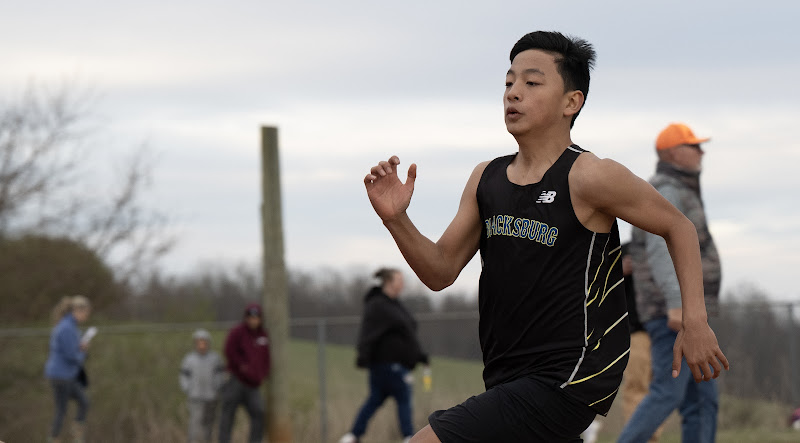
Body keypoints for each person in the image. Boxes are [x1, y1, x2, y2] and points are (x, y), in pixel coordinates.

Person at [363, 31, 729, 442]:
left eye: (532, 82)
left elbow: (678, 227)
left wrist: (695, 321)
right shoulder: (486, 178)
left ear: (572, 102)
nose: (513, 92)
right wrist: (397, 220)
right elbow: (440, 271)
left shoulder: (589, 175)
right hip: (507, 374)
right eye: (508, 82)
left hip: (570, 377)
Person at [618, 123, 723, 443]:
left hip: (689, 314)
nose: (701, 152)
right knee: (668, 393)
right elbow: (661, 248)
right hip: (674, 315)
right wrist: (679, 304)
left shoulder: (679, 188)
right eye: (694, 146)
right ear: (674, 152)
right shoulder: (666, 190)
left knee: (702, 401)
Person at [339, 268, 430, 443]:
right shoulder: (379, 305)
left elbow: (407, 334)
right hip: (389, 365)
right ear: (388, 282)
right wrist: (363, 355)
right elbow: (369, 332)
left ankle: (353, 436)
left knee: (375, 400)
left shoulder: (394, 305)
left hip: (391, 365)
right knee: (403, 397)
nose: (402, 284)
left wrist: (419, 356)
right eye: (399, 280)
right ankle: (409, 437)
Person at [618, 242, 663, 442]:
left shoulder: (666, 247)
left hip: (665, 330)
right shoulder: (625, 250)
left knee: (661, 389)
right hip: (635, 330)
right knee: (636, 385)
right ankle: (638, 438)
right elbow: (596, 283)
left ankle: (650, 437)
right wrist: (619, 271)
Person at [218, 303, 271, 443]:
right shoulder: (237, 332)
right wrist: (242, 366)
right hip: (236, 381)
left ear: (260, 319)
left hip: (253, 385)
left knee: (259, 413)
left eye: (256, 317)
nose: (253, 320)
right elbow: (229, 350)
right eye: (251, 317)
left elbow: (266, 358)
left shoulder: (263, 335)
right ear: (246, 318)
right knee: (228, 415)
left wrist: (263, 373)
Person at [45, 295, 92, 443]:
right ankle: (55, 438)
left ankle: (75, 434)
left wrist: (81, 348)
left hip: (66, 375)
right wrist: (83, 352)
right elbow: (71, 355)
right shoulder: (66, 328)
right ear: (77, 311)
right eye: (86, 313)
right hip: (61, 376)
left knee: (83, 402)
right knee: (62, 409)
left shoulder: (70, 326)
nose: (86, 316)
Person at [180, 328, 226, 443]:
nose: (202, 345)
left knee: (209, 423)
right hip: (195, 396)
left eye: (204, 342)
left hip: (211, 396)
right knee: (195, 423)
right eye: (199, 342)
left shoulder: (215, 358)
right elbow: (184, 376)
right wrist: (187, 388)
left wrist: (217, 386)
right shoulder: (189, 359)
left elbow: (220, 374)